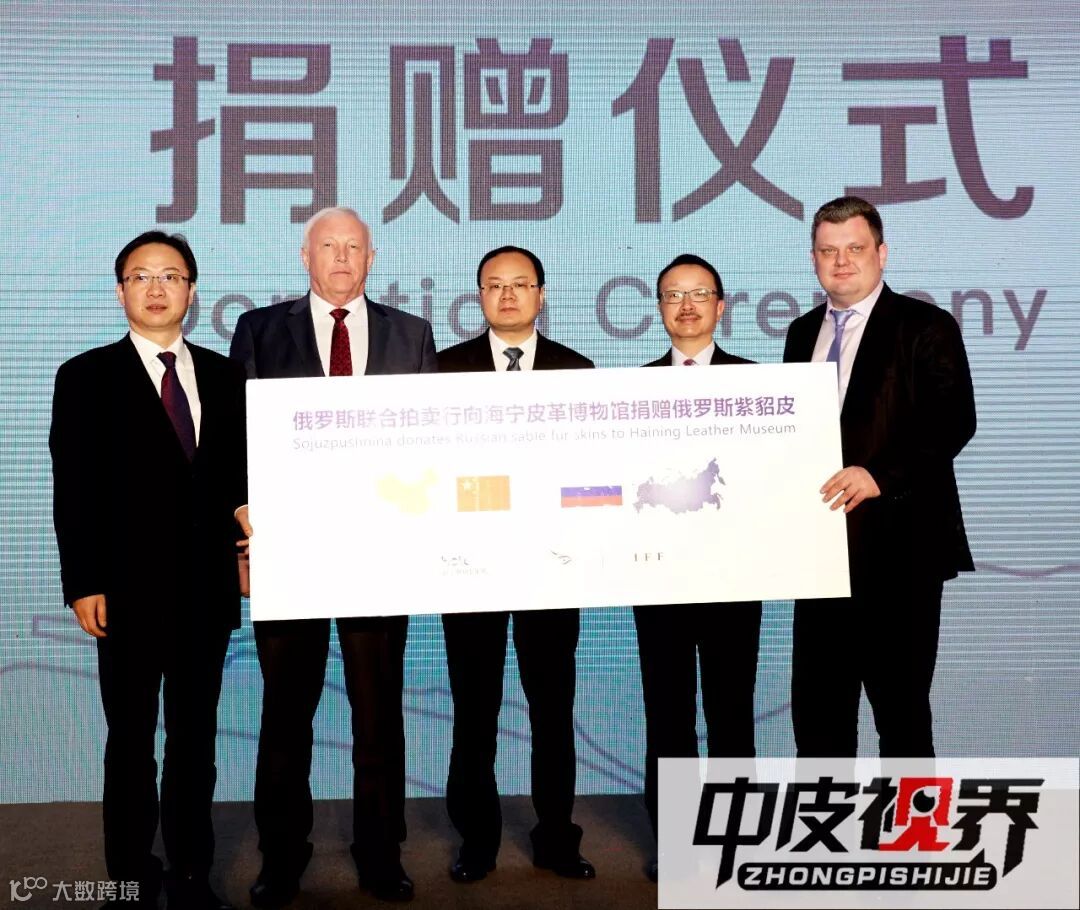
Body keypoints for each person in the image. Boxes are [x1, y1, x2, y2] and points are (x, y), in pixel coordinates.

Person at [229, 207, 437, 905]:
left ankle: (381, 854)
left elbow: (434, 447)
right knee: (286, 715)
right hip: (290, 554)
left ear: (372, 258)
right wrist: (242, 522)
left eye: (354, 247)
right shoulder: (260, 330)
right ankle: (281, 857)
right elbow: (236, 438)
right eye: (329, 246)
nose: (342, 257)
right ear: (305, 256)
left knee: (378, 714)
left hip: (381, 556)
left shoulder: (411, 334)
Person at [50, 231, 249, 910]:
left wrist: (247, 542)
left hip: (206, 590)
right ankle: (131, 878)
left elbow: (236, 480)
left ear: (192, 291)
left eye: (171, 276)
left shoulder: (226, 376)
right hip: (125, 592)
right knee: (131, 742)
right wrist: (83, 582)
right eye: (141, 276)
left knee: (196, 741)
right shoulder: (85, 375)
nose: (157, 288)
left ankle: (192, 872)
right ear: (121, 292)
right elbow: (74, 487)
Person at [783, 196, 976, 757]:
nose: (841, 261)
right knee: (818, 720)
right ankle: (828, 819)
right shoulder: (801, 332)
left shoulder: (925, 325)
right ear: (813, 259)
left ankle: (911, 821)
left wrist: (880, 475)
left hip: (901, 553)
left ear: (882, 253)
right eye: (828, 251)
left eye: (855, 248)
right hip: (821, 556)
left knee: (902, 716)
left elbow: (953, 420)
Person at [436, 246, 596, 885]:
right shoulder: (442, 369)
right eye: (494, 285)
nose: (507, 296)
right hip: (469, 566)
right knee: (474, 710)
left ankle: (557, 837)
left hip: (551, 567)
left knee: (552, 709)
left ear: (541, 294)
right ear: (478, 296)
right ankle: (477, 840)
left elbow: (591, 474)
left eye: (520, 284)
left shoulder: (577, 370)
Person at [635, 253, 762, 882]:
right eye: (673, 295)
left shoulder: (758, 385)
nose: (686, 306)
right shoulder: (631, 390)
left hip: (734, 579)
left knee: (732, 715)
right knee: (669, 718)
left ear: (721, 306)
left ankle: (736, 842)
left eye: (698, 294)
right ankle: (679, 843)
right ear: (659, 308)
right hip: (659, 582)